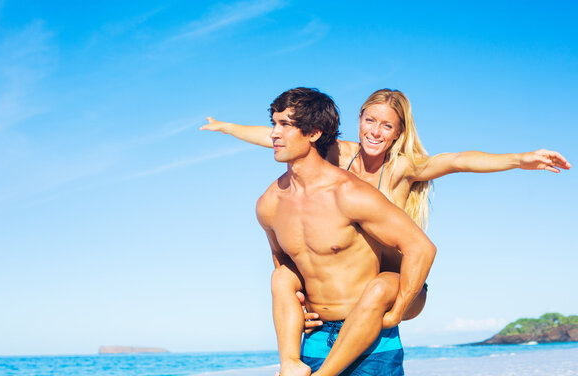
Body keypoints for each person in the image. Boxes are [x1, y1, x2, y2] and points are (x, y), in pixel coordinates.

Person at [201, 88, 571, 326]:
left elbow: (459, 159)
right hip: (352, 286)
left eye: (386, 126)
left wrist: (521, 158)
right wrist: (228, 127)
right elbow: (280, 135)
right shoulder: (337, 153)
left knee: (377, 290)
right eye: (370, 121)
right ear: (359, 120)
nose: (375, 132)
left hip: (397, 285)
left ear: (398, 132)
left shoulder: (405, 168)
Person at [256, 87, 437, 376]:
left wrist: (396, 312)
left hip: (371, 338)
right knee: (281, 276)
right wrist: (299, 308)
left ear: (314, 133)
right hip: (316, 338)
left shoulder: (349, 193)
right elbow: (285, 263)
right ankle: (290, 364)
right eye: (274, 123)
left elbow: (421, 247)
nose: (274, 134)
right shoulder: (269, 204)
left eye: (285, 125)